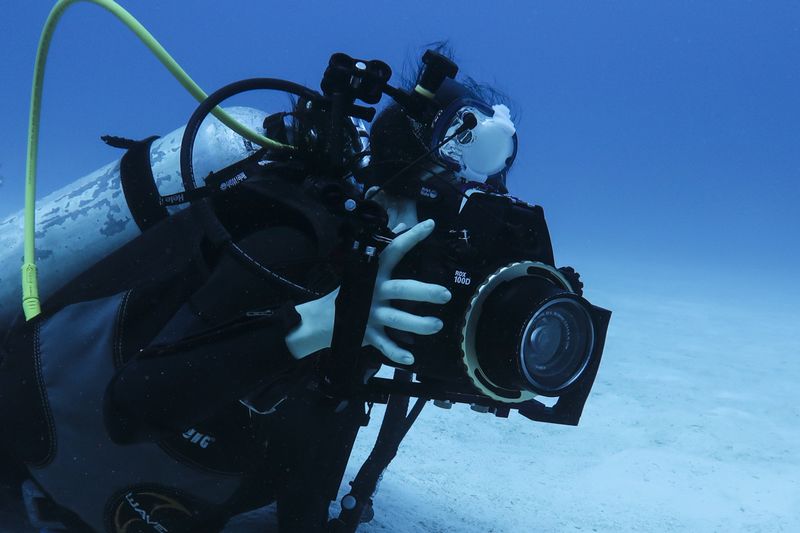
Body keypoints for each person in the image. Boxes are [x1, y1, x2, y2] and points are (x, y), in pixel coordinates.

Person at [0, 49, 517, 533]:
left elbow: (326, 416)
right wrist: (313, 326)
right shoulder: (292, 242)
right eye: (466, 184)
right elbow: (135, 404)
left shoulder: (374, 277)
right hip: (35, 442)